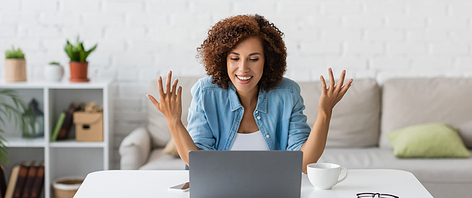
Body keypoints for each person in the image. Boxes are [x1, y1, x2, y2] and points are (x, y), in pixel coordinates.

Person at [146, 14, 352, 173]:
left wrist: (325, 112)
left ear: (268, 61)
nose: (243, 68)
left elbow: (305, 163)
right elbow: (198, 163)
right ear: (223, 60)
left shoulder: (287, 94)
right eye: (234, 58)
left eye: (253, 59)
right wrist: (174, 121)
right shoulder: (206, 92)